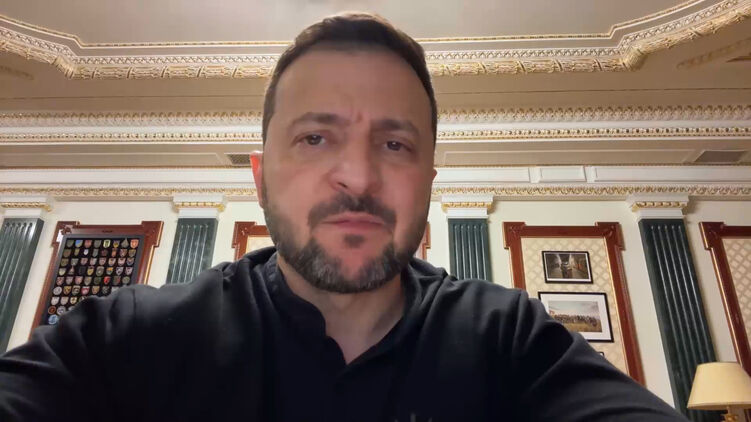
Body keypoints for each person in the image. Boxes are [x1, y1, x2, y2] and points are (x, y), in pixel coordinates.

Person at [0, 12, 688, 422]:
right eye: (315, 138)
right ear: (260, 177)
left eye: (395, 145)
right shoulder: (129, 336)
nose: (357, 177)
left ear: (428, 183)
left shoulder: (509, 339)